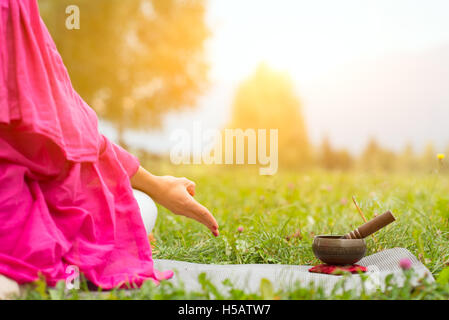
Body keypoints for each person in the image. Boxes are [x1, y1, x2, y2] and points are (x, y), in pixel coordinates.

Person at [0, 0, 219, 295]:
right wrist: (155, 186)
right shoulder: (13, 10)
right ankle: (23, 279)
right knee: (136, 207)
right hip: (15, 233)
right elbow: (70, 134)